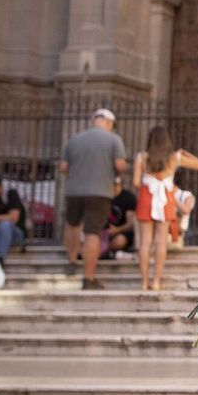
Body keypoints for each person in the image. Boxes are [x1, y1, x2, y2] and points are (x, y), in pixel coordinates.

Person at [61, 108, 128, 288]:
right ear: (108, 122)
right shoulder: (114, 139)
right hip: (99, 191)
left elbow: (63, 167)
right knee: (92, 232)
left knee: (72, 225)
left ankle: (72, 261)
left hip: (74, 190)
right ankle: (88, 277)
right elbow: (120, 165)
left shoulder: (74, 139)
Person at [133, 125, 198, 290]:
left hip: (146, 196)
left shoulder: (142, 157)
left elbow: (136, 182)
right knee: (160, 242)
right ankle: (156, 281)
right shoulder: (174, 157)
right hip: (166, 198)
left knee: (145, 242)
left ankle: (144, 282)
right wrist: (184, 153)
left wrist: (150, 183)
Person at [104, 177, 137, 260]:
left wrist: (116, 230)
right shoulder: (102, 197)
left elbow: (130, 224)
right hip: (103, 234)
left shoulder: (128, 197)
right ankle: (107, 253)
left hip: (122, 233)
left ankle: (103, 252)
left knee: (120, 240)